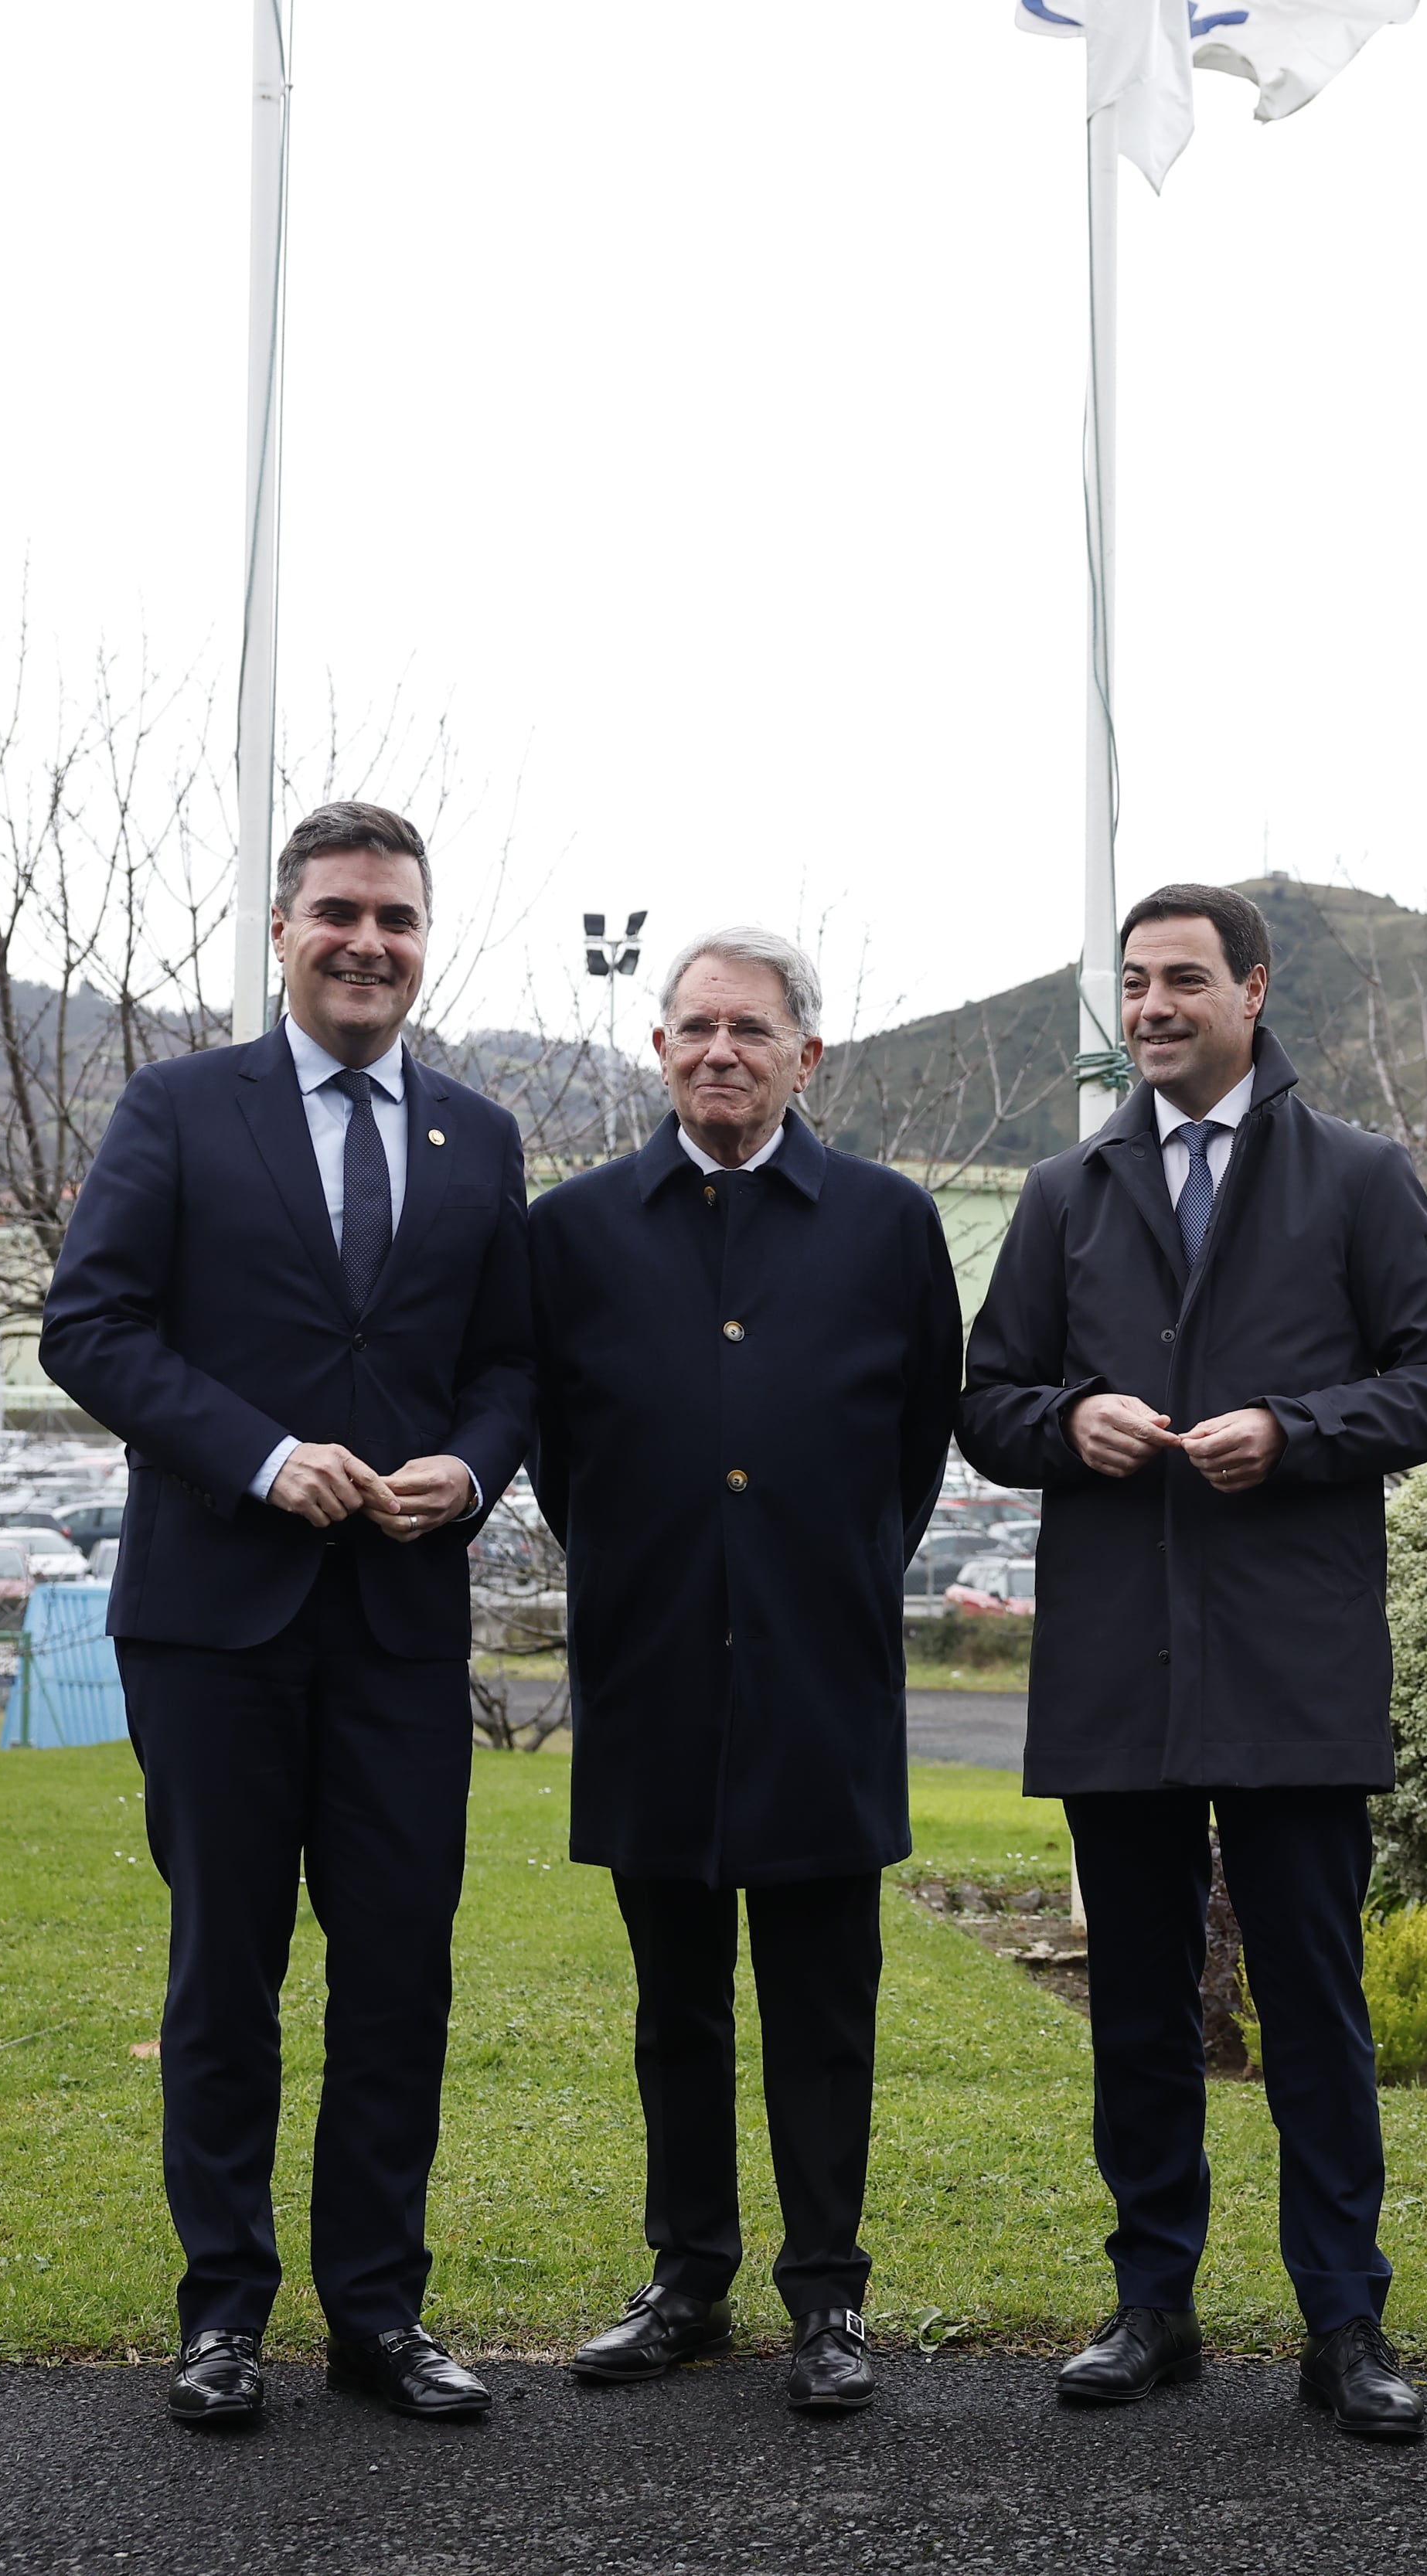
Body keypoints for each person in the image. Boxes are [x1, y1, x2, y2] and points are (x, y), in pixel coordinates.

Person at [958, 883, 1427, 2443]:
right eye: (1132, 983)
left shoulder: (1359, 1177)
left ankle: (1346, 2317)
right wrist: (1067, 1421)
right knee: (1138, 2001)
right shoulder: (1066, 1188)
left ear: (1254, 990)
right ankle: (1153, 2303)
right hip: (1119, 1665)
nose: (1151, 1005)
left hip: (1294, 1662)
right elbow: (986, 1398)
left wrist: (1298, 1431)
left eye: (1182, 978)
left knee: (1314, 2002)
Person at [40, 801, 536, 2427]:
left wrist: (466, 1471)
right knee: (225, 1972)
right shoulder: (179, 1108)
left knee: (399, 1974)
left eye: (395, 917)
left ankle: (378, 2315)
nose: (366, 942)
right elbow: (91, 1326)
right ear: (280, 930)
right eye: (338, 912)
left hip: (399, 1623)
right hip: (213, 1625)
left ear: (423, 938)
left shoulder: (481, 1135)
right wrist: (260, 1456)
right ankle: (223, 2313)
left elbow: (508, 1366)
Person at [522, 926, 962, 2416]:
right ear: (657, 1048)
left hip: (821, 1674)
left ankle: (827, 2295)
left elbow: (912, 1452)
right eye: (695, 1026)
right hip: (651, 1678)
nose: (722, 1050)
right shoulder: (573, 1231)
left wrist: (812, 1573)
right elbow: (562, 1464)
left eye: (753, 1030)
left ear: (806, 1056)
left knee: (828, 2002)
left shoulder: (892, 1226)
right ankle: (690, 2276)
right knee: (677, 2004)